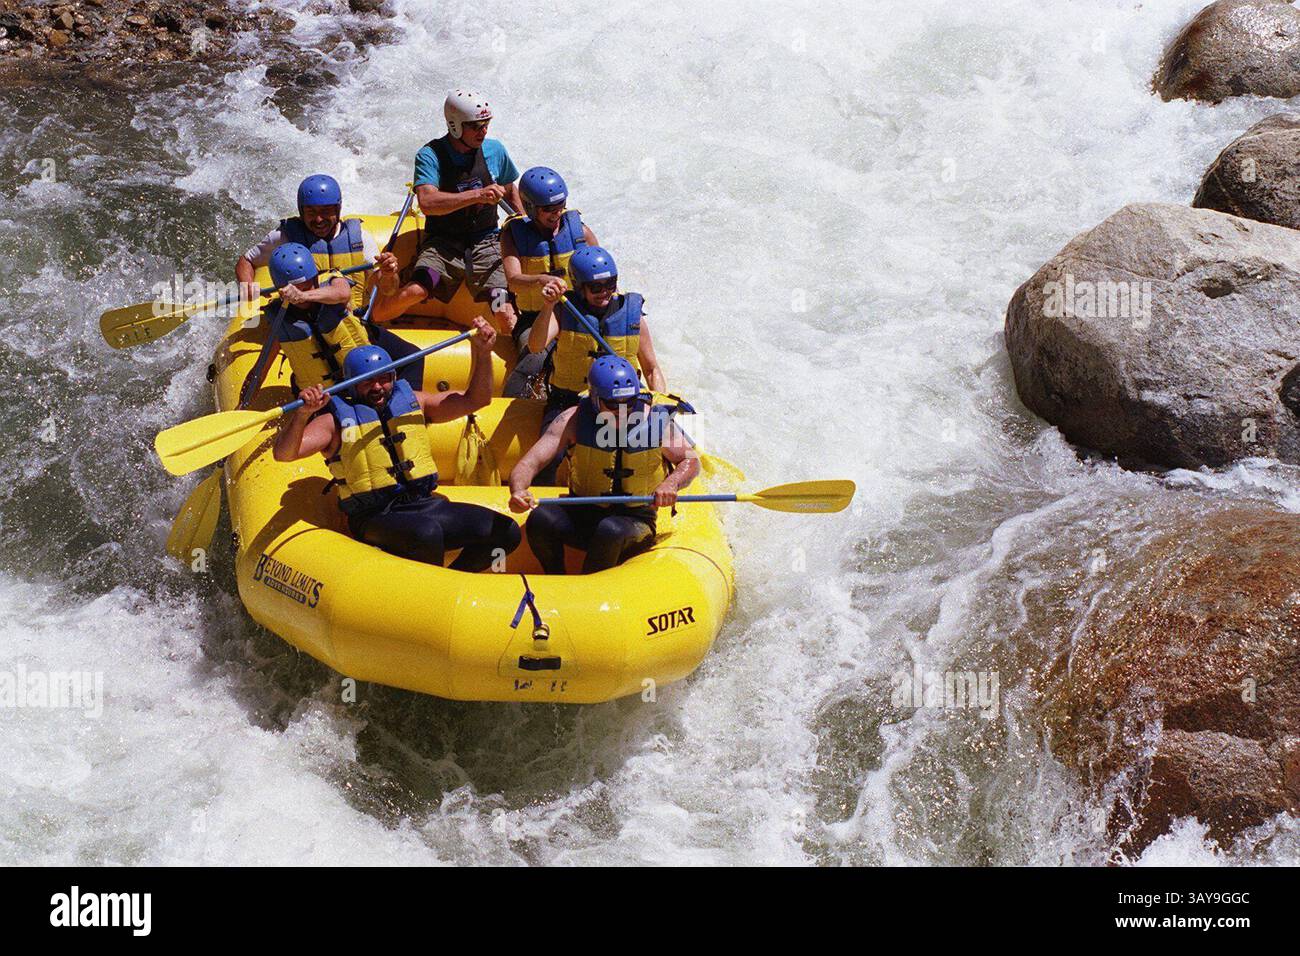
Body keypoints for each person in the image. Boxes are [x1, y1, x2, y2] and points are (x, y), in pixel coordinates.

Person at [272, 319, 521, 571]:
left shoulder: (416, 403)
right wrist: (302, 415)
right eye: (368, 382)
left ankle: (458, 577)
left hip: (424, 504)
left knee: (506, 532)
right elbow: (284, 454)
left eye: (384, 379)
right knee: (427, 534)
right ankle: (431, 589)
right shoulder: (333, 422)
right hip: (374, 516)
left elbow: (476, 400)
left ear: (393, 377)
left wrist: (483, 353)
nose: (378, 387)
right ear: (352, 384)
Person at [508, 356, 697, 574]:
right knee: (540, 519)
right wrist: (519, 490)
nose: (622, 410)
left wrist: (671, 483)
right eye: (613, 404)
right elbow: (530, 463)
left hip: (634, 520)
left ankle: (589, 585)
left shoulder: (656, 422)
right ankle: (556, 576)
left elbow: (690, 460)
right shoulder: (573, 419)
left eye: (629, 402)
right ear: (595, 399)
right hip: (583, 513)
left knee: (610, 530)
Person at [371, 89, 521, 345]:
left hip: (487, 242)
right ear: (455, 126)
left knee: (503, 311)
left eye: (486, 124)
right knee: (417, 290)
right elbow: (427, 202)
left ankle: (525, 352)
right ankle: (370, 322)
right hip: (443, 244)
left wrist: (523, 224)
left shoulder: (495, 150)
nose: (483, 131)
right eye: (475, 126)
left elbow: (509, 190)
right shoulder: (430, 155)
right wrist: (477, 195)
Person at [527, 244, 667, 482]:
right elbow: (535, 346)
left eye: (610, 284)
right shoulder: (564, 310)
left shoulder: (632, 316)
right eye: (596, 287)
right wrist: (548, 306)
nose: (605, 292)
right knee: (553, 461)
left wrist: (659, 406)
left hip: (622, 403)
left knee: (650, 449)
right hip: (569, 401)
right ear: (579, 287)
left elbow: (651, 369)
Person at [499, 166, 597, 398]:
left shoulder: (580, 232)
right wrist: (540, 280)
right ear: (531, 208)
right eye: (548, 209)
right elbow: (513, 281)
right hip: (535, 318)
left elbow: (602, 271)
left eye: (560, 205)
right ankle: (516, 403)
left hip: (576, 313)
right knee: (534, 355)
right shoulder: (512, 236)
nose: (556, 213)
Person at [239, 242, 376, 404]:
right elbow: (260, 370)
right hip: (322, 396)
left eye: (306, 287)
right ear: (282, 291)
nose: (300, 296)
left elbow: (343, 293)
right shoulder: (282, 321)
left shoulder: (333, 282)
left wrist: (303, 296)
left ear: (315, 278)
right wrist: (242, 406)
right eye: (295, 290)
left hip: (363, 378)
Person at [234, 174, 378, 312]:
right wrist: (247, 284)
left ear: (337, 209)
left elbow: (380, 280)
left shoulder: (359, 239)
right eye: (311, 212)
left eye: (325, 211)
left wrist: (386, 273)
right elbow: (246, 261)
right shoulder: (284, 236)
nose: (318, 219)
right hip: (305, 319)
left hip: (353, 316)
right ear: (302, 212)